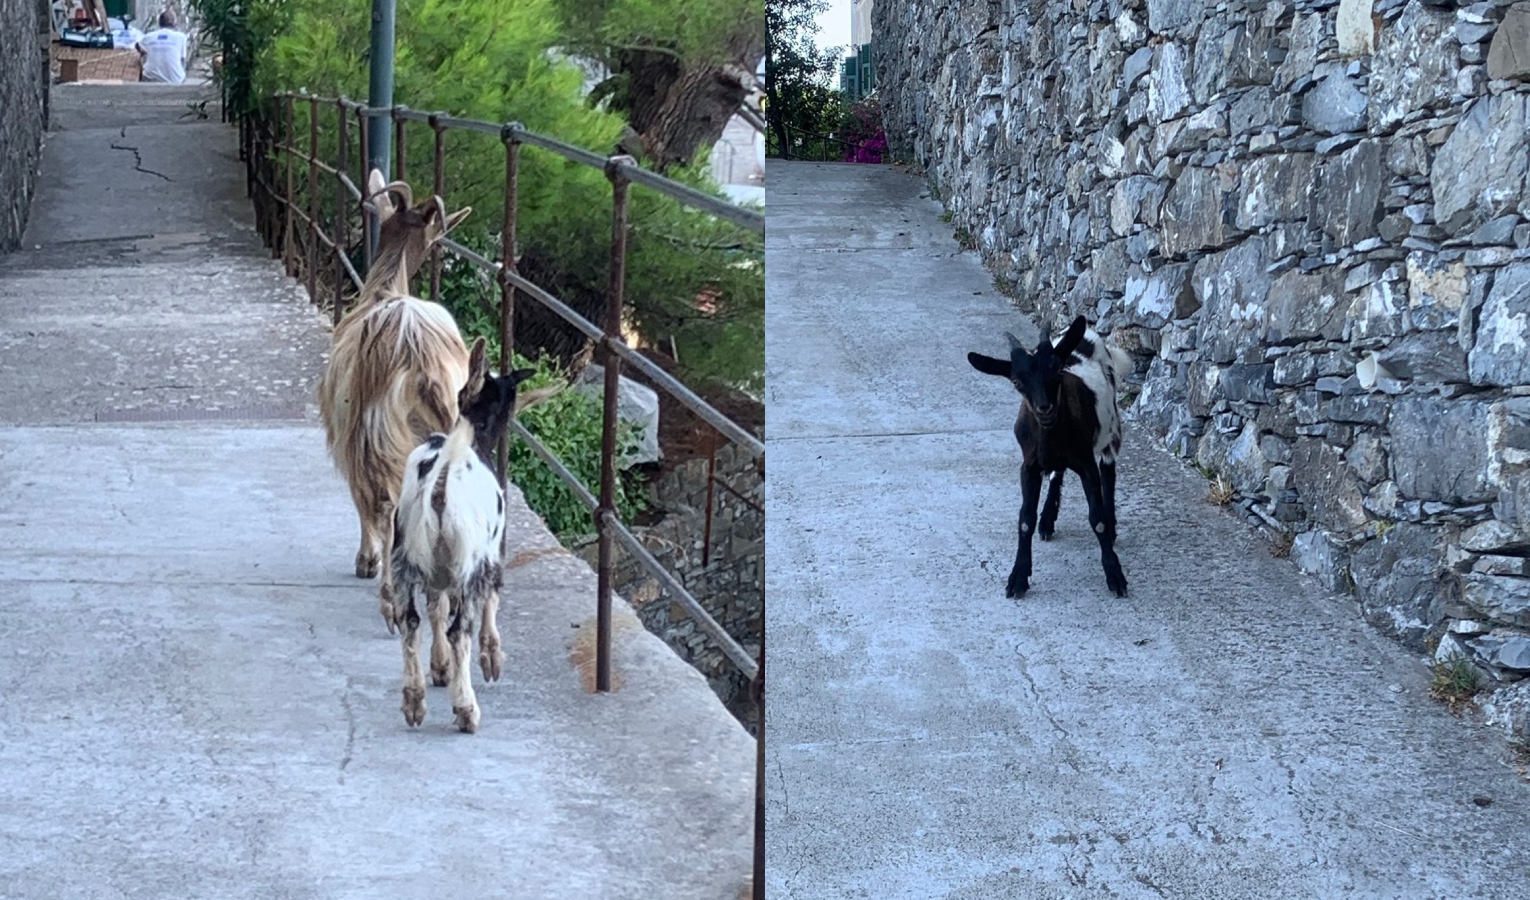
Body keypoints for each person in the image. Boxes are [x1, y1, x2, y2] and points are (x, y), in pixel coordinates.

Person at [136, 11, 188, 84]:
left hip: (151, 78)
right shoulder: (181, 37)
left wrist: (144, 53)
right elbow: (183, 59)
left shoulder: (149, 36)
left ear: (159, 23)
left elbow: (138, 45)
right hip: (175, 79)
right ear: (174, 23)